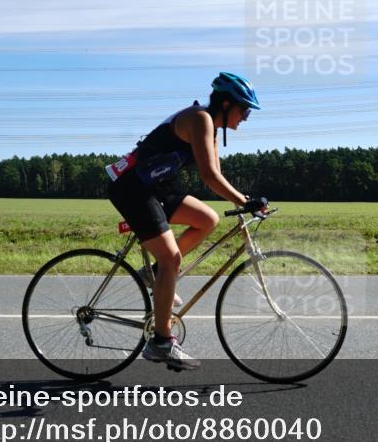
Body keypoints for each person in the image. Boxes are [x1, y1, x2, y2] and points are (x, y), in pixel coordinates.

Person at [106, 72, 266, 371]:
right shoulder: (200, 119)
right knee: (172, 259)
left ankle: (151, 275)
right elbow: (209, 176)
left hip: (157, 187)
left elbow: (215, 178)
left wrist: (245, 200)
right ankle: (161, 342)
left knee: (207, 219)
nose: (246, 117)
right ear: (227, 103)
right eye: (244, 109)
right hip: (134, 188)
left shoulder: (212, 129)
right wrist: (245, 202)